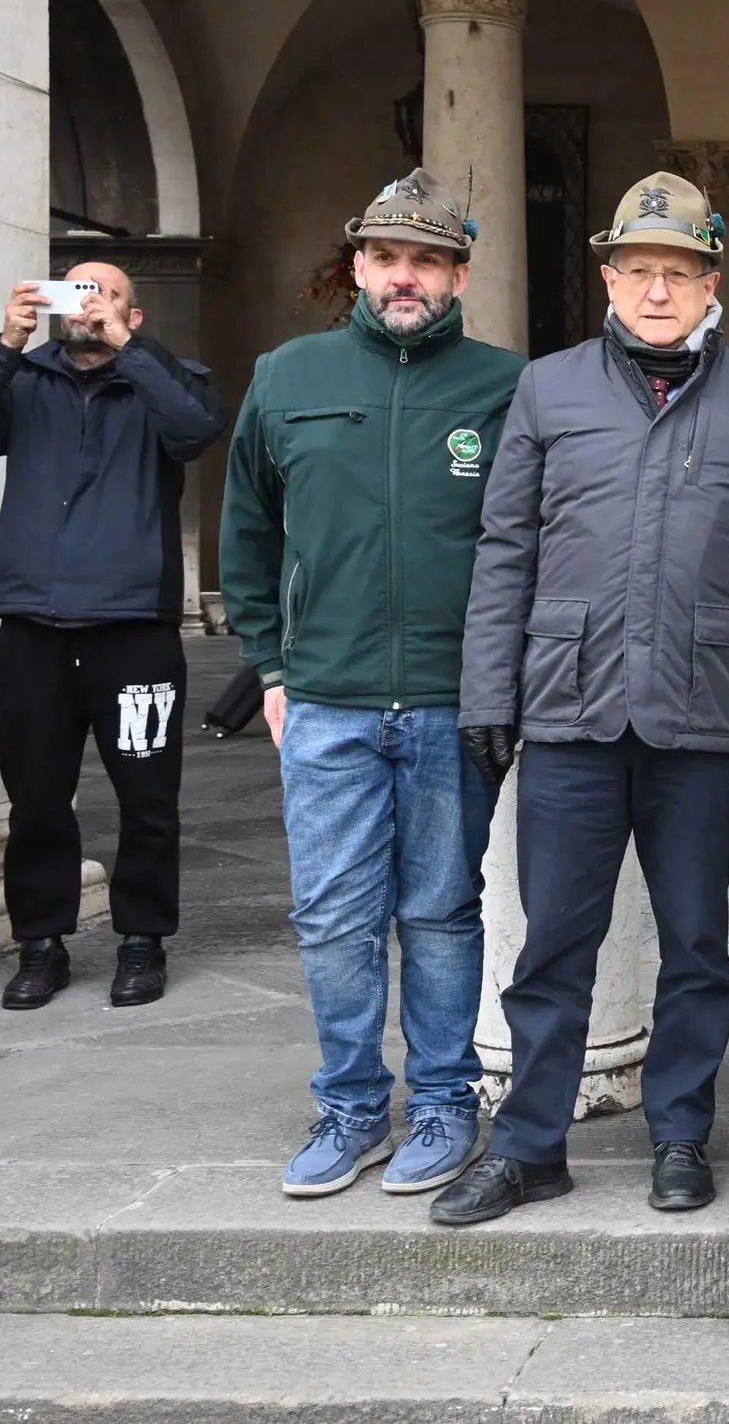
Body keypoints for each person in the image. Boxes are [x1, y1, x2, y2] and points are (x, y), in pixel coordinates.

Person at [434, 172, 729, 1226]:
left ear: (711, 282)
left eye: (680, 271)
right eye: (640, 269)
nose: (659, 289)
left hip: (707, 705)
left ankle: (682, 1132)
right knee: (554, 936)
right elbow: (505, 546)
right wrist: (487, 691)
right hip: (570, 704)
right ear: (608, 275)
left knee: (696, 937)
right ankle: (528, 1143)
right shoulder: (548, 390)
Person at [219, 171, 527, 1201]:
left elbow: (533, 542)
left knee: (443, 910)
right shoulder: (289, 375)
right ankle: (352, 1105)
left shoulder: (505, 386)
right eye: (388, 257)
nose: (406, 276)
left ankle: (443, 1100)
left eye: (428, 260)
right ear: (356, 266)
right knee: (336, 916)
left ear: (458, 274)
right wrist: (269, 660)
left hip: (450, 699)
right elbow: (248, 532)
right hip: (329, 700)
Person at [0, 260, 223, 1011]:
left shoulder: (170, 377)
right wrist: (5, 341)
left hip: (133, 630)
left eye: (108, 295)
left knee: (147, 798)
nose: (89, 306)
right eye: (76, 293)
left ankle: (142, 943)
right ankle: (41, 944)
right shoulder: (21, 379)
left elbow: (193, 432)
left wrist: (128, 351)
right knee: (37, 797)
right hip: (35, 628)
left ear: (134, 314)